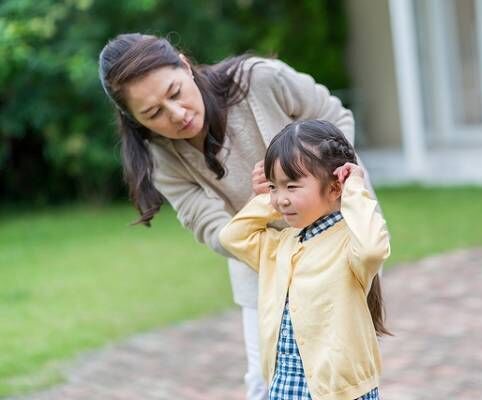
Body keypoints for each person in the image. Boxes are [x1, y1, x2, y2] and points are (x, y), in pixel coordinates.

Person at [98, 33, 381, 399]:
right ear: (134, 119)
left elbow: (334, 116)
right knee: (264, 382)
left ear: (185, 65)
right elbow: (215, 231)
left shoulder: (260, 79)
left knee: (343, 375)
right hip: (262, 263)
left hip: (337, 245)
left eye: (175, 92)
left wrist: (316, 176)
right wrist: (263, 204)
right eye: (154, 113)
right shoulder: (161, 159)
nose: (178, 114)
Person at [219, 120, 391, 400]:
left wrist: (354, 190)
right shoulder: (282, 246)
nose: (281, 198)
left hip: (340, 392)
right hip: (285, 387)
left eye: (292, 186)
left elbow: (373, 249)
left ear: (335, 188)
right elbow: (232, 236)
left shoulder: (350, 244)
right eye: (275, 186)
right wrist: (267, 200)